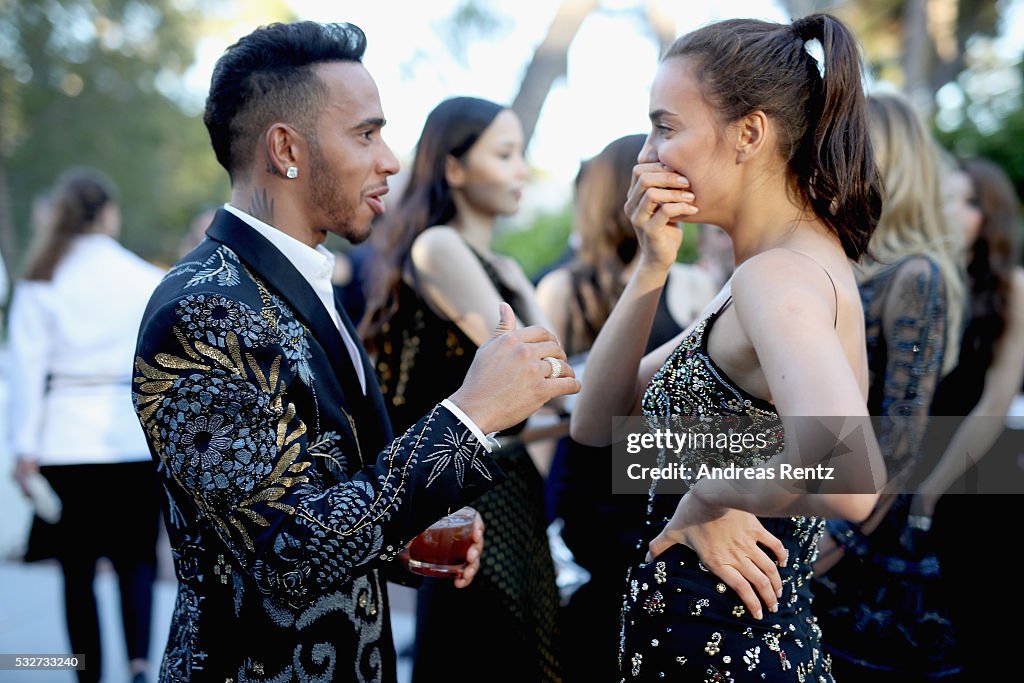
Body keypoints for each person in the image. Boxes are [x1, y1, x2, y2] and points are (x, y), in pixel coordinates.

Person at [131, 22, 578, 683]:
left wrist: (402, 543)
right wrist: (472, 412)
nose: (391, 160)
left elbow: (324, 498)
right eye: (366, 134)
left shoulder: (305, 287)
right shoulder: (203, 311)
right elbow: (287, 551)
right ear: (286, 148)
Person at [570, 14, 886, 681]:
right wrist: (652, 266)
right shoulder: (765, 272)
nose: (646, 157)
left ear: (749, 134)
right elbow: (596, 420)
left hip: (734, 654)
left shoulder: (776, 276)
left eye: (666, 126)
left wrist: (708, 494)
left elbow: (851, 474)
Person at [360, 96, 561, 682]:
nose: (521, 169)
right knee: (485, 653)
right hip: (471, 494)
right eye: (504, 154)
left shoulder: (503, 267)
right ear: (453, 167)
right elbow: (537, 372)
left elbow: (549, 388)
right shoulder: (440, 246)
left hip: (509, 487)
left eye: (520, 154)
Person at [535, 133, 717, 681]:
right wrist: (557, 500)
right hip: (590, 487)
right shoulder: (564, 289)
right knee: (599, 626)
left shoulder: (690, 281)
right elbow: (545, 410)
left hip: (659, 475)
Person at [811, 93, 967, 682]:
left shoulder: (917, 275)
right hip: (821, 510)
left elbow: (900, 437)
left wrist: (839, 543)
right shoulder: (847, 265)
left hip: (865, 544)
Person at [7, 168, 165, 683]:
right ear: (107, 213)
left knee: (76, 573)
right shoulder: (143, 276)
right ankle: (140, 664)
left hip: (65, 442)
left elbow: (26, 370)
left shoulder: (41, 279)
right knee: (136, 562)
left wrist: (22, 447)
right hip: (131, 440)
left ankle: (86, 674)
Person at [919, 158, 1024, 679]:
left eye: (968, 203)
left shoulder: (1013, 287)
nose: (952, 213)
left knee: (986, 627)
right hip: (917, 463)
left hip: (983, 476)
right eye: (947, 200)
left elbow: (996, 400)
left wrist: (932, 490)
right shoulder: (926, 280)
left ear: (991, 215)